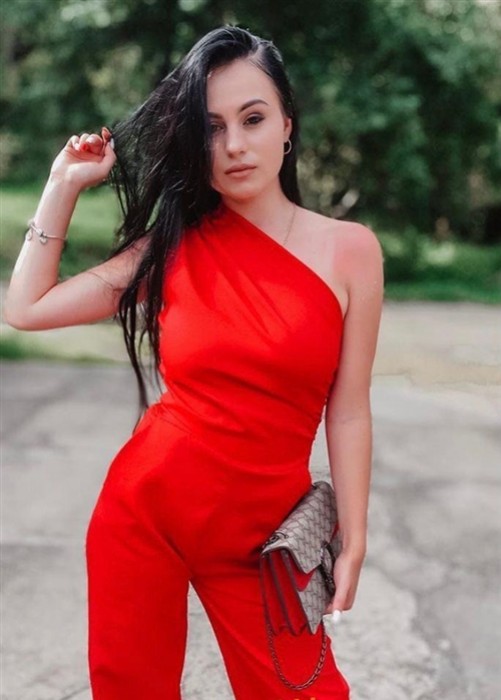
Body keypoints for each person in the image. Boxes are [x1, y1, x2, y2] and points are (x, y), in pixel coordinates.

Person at [4, 24, 384, 700]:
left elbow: (349, 409)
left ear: (287, 125)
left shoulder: (350, 251)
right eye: (211, 128)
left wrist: (352, 535)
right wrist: (62, 185)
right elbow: (27, 308)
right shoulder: (172, 245)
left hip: (265, 541)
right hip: (144, 515)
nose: (233, 144)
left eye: (252, 118)